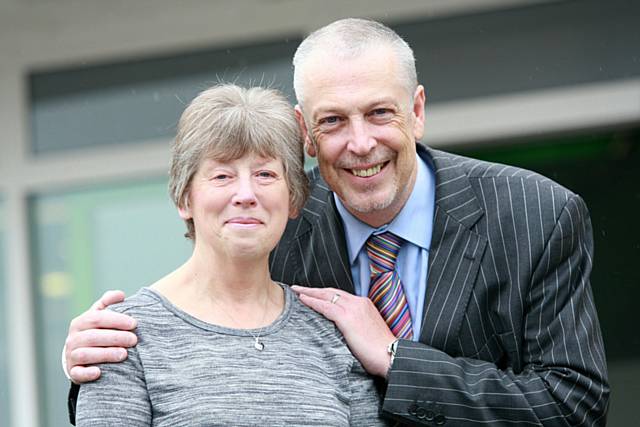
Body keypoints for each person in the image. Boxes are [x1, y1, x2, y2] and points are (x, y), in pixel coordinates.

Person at [64, 18, 609, 426]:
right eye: (333, 120)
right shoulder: (277, 223)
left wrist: (399, 361)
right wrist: (96, 366)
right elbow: (197, 330)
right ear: (304, 131)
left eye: (379, 112)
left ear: (416, 110)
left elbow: (574, 404)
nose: (360, 142)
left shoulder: (536, 214)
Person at [73, 83, 390, 426]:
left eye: (265, 174)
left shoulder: (331, 331)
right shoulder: (120, 337)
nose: (245, 194)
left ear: (294, 198)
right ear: (184, 199)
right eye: (222, 175)